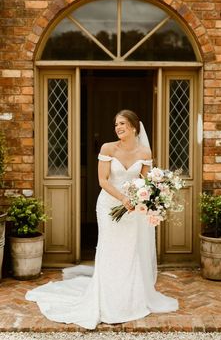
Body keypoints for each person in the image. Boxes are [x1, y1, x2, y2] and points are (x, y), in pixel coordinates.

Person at [25, 109, 178, 329]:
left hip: (132, 210)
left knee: (129, 251)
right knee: (109, 249)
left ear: (134, 127)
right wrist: (123, 198)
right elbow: (103, 181)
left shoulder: (145, 152)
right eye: (116, 124)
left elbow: (146, 183)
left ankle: (129, 301)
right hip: (109, 205)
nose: (118, 128)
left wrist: (145, 199)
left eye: (122, 123)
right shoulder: (108, 148)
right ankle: (105, 300)